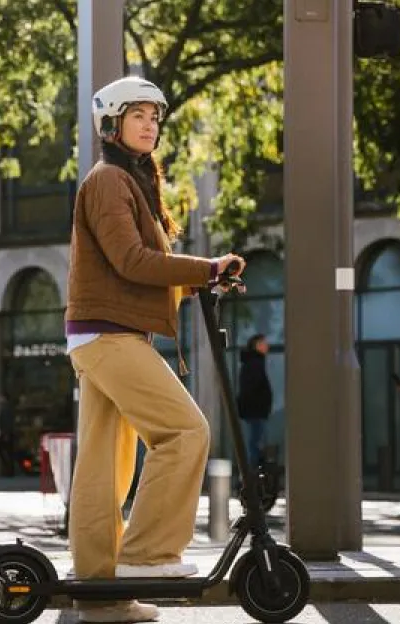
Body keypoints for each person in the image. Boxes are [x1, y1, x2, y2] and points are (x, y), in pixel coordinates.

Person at [64, 75, 246, 623]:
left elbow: (135, 266)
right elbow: (132, 262)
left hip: (101, 334)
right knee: (185, 432)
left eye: (155, 117)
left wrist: (196, 283)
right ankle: (147, 555)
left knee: (103, 472)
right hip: (108, 335)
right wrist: (206, 267)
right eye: (138, 115)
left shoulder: (128, 180)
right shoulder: (108, 181)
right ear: (113, 123)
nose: (150, 125)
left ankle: (102, 600)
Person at [237, 334, 272, 471]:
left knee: (255, 443)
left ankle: (253, 473)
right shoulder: (255, 364)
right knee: (255, 444)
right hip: (256, 411)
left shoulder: (253, 363)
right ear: (257, 345)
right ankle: (252, 474)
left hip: (254, 411)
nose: (267, 346)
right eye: (264, 343)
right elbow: (252, 389)